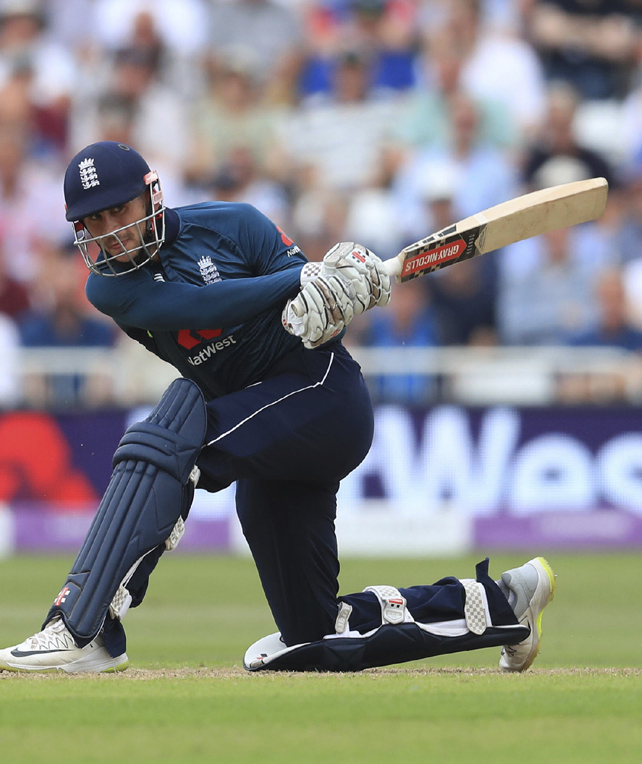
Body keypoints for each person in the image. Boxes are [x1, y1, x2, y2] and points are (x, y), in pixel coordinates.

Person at [0, 141, 555, 674]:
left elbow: (317, 321)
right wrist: (302, 277)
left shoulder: (235, 224)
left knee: (169, 439)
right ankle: (502, 604)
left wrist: (333, 299)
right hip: (259, 432)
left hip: (320, 398)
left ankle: (82, 627)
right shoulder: (110, 288)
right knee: (311, 634)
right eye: (93, 223)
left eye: (118, 211)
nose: (110, 234)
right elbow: (195, 304)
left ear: (152, 194)